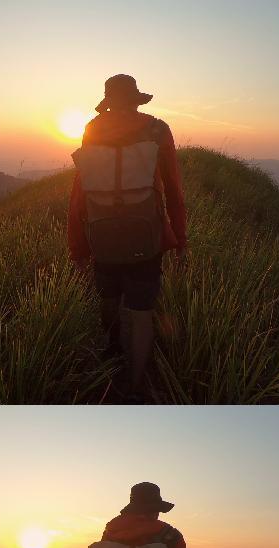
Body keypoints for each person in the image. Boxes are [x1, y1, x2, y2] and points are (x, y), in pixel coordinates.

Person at [67, 75, 187, 402]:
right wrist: (180, 240)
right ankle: (135, 386)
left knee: (108, 297)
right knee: (142, 309)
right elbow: (174, 190)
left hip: (100, 231)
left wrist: (77, 246)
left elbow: (80, 194)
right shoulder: (157, 130)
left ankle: (112, 351)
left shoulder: (92, 129)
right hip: (145, 235)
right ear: (136, 100)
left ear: (108, 101)